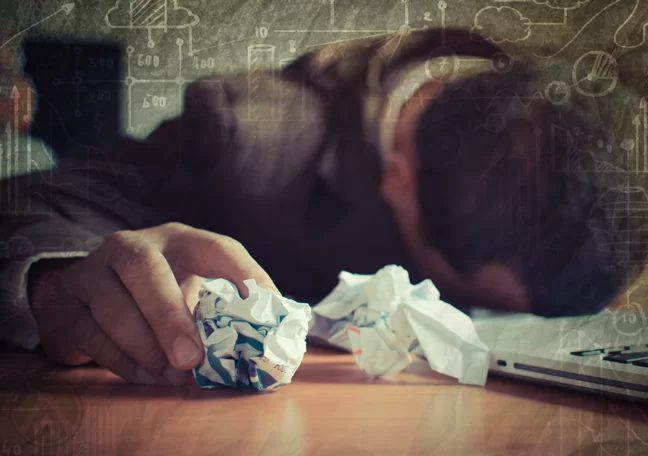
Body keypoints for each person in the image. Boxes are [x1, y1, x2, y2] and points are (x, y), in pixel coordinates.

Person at [0, 28, 641, 386]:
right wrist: (57, 279)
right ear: (400, 168)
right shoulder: (247, 139)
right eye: (459, 291)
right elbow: (29, 203)